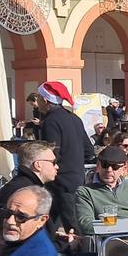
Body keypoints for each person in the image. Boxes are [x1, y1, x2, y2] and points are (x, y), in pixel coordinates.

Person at [36, 80, 96, 233]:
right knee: (49, 224)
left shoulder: (50, 121)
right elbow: (89, 150)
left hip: (59, 181)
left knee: (73, 228)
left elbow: (51, 152)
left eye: (38, 98)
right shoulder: (74, 118)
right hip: (77, 178)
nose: (36, 102)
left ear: (45, 100)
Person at [0, 139, 60, 220]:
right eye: (53, 162)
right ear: (38, 165)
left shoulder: (26, 184)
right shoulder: (24, 190)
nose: (57, 167)